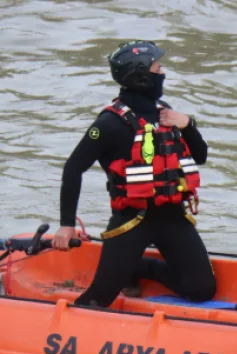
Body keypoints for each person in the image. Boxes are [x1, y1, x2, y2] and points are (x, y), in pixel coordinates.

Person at [53, 40, 217, 308]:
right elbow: (74, 168)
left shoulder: (168, 114)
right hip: (132, 220)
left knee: (201, 290)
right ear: (142, 77)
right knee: (97, 300)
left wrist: (188, 124)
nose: (162, 72)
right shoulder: (109, 124)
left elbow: (200, 157)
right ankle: (123, 269)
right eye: (157, 67)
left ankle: (140, 268)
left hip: (173, 216)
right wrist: (67, 223)